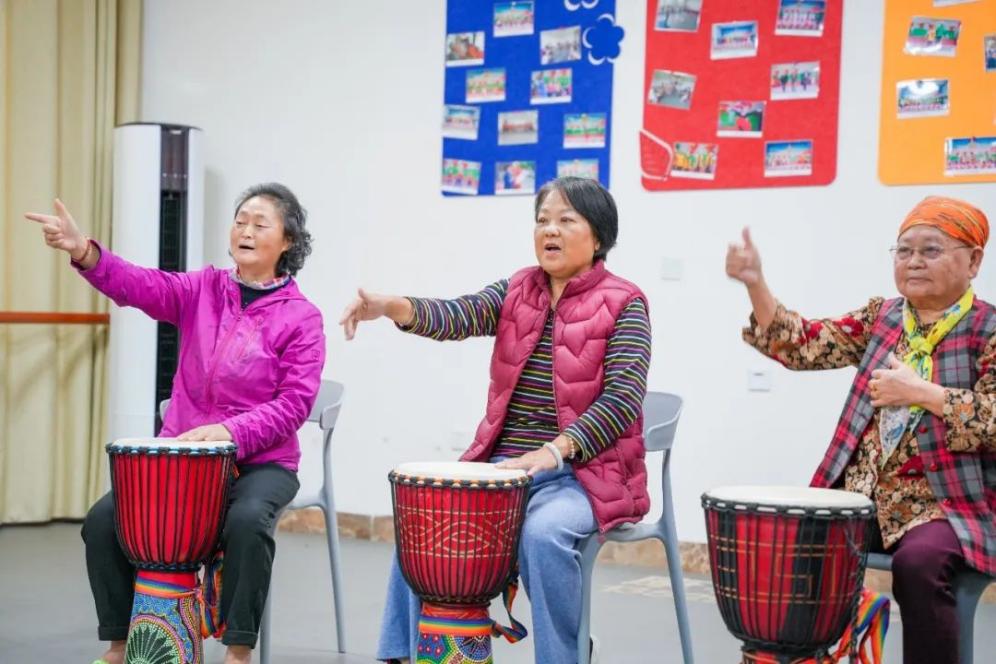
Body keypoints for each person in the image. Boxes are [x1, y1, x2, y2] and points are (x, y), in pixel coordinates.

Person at [340, 176, 652, 663]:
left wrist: (554, 451)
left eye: (566, 220)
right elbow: (458, 315)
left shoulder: (625, 302)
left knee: (542, 535)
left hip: (585, 475)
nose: (550, 230)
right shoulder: (518, 289)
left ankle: (564, 656)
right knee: (425, 517)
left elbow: (623, 399)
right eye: (542, 220)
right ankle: (400, 654)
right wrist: (391, 307)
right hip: (506, 469)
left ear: (598, 237)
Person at [26, 182, 326, 664]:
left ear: (288, 242)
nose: (244, 230)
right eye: (240, 220)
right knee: (104, 521)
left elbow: (294, 404)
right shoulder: (202, 289)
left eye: (259, 223)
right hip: (185, 454)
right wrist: (84, 252)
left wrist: (231, 432)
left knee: (249, 522)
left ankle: (239, 650)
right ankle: (121, 643)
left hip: (261, 463)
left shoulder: (302, 318)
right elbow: (139, 284)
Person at [726, 196, 995, 664]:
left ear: (973, 261)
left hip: (944, 506)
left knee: (920, 564)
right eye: (903, 250)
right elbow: (804, 346)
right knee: (791, 537)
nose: (913, 261)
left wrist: (924, 394)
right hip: (865, 496)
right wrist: (756, 284)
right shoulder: (884, 318)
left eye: (930, 250)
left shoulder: (987, 329)